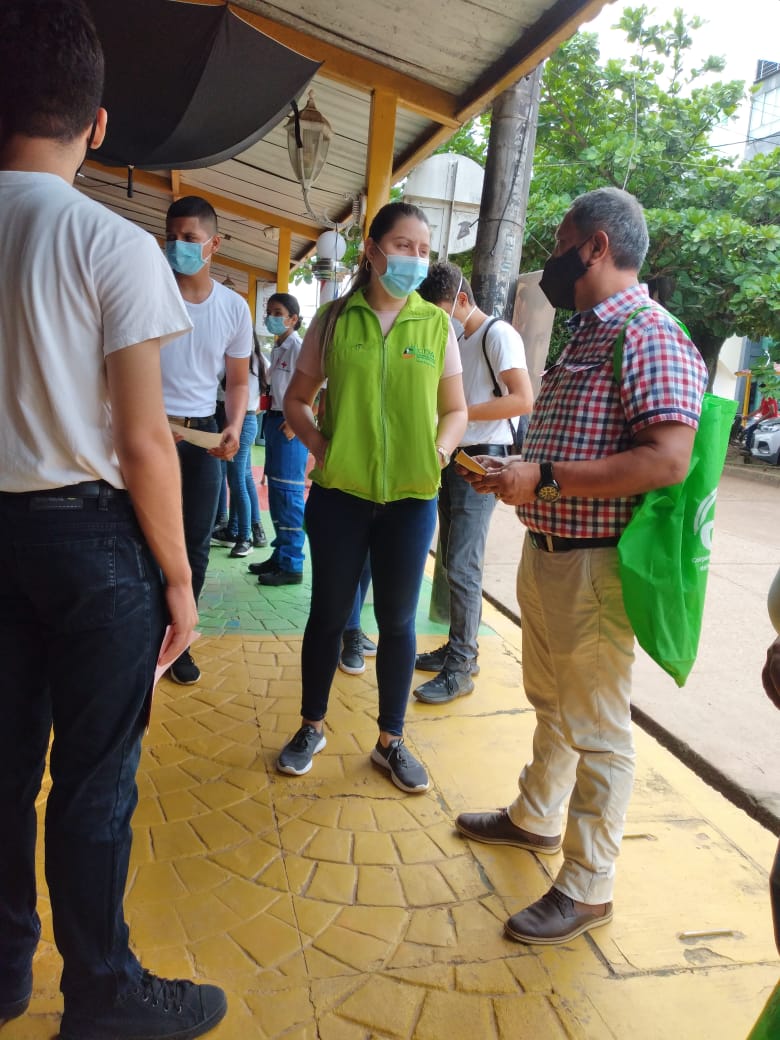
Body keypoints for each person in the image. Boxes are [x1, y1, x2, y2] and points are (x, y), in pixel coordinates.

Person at [0, 3, 226, 1037]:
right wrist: (178, 579)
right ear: (97, 126)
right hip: (91, 545)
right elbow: (144, 443)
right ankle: (99, 992)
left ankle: (1, 969)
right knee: (93, 779)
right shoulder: (112, 244)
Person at [455, 187, 708, 944]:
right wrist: (522, 473)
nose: (553, 259)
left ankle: (590, 882)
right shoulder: (589, 333)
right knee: (554, 703)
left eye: (562, 241)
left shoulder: (647, 333)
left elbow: (667, 460)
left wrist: (550, 476)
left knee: (598, 726)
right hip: (552, 552)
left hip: (596, 568)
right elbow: (583, 444)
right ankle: (536, 815)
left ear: (595, 246)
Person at [280, 201, 468, 791]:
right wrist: (322, 447)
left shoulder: (437, 326)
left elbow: (457, 409)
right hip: (340, 497)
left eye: (423, 249)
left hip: (412, 500)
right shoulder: (333, 320)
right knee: (329, 616)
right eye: (404, 245)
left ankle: (391, 741)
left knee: (397, 620)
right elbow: (296, 399)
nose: (414, 258)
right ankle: (311, 725)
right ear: (373, 247)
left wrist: (438, 453)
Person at [414, 261, 532, 703]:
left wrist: (459, 413)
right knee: (450, 561)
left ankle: (462, 664)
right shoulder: (458, 337)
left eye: (443, 312)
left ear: (462, 301)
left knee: (463, 565)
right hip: (457, 456)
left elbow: (522, 399)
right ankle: (458, 648)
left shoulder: (497, 335)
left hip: (486, 460)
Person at [162, 195, 251, 683]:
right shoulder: (147, 293)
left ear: (213, 245)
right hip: (147, 433)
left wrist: (234, 424)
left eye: (189, 239)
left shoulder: (233, 309)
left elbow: (237, 381)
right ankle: (140, 639)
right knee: (139, 540)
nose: (177, 247)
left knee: (195, 546)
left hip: (201, 440)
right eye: (171, 237)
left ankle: (178, 642)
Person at [248, 293, 308, 586]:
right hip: (273, 421)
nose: (271, 317)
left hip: (288, 424)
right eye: (269, 312)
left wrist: (299, 421)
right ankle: (280, 554)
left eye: (278, 312)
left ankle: (292, 564)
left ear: (293, 319)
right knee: (276, 493)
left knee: (289, 494)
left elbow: (318, 382)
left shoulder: (297, 346)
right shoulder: (280, 347)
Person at [211, 333, 268, 556]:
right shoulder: (257, 360)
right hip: (244, 420)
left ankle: (246, 537)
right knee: (239, 477)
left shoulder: (248, 360)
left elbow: (241, 397)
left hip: (240, 421)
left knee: (237, 480)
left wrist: (232, 423)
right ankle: (235, 530)